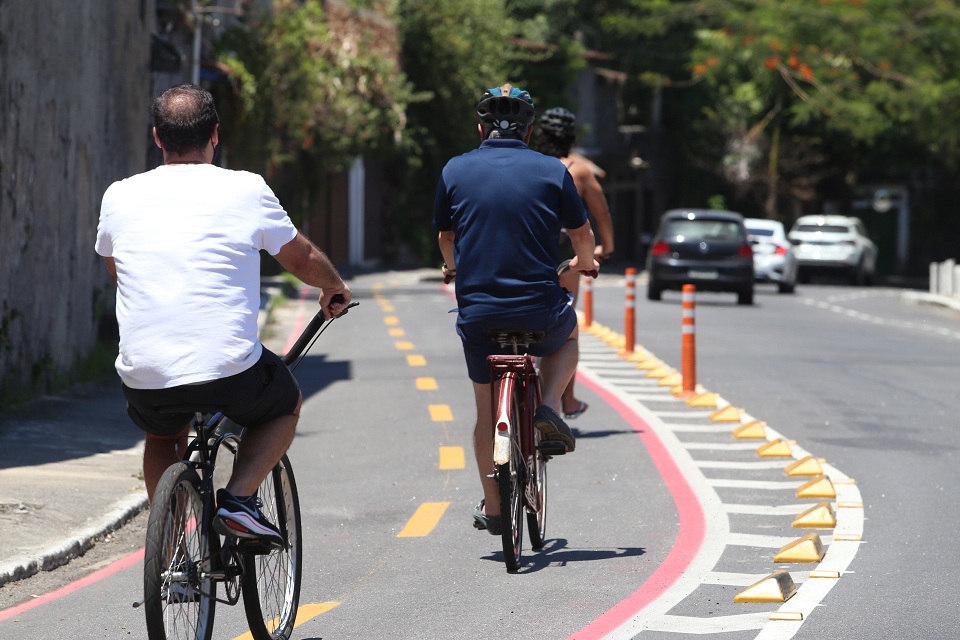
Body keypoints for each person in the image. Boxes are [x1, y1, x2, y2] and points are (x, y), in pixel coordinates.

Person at [96, 84, 352, 546]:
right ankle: (235, 501)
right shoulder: (245, 188)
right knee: (285, 403)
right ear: (216, 135)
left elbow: (120, 273)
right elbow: (299, 258)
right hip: (228, 371)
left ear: (157, 138)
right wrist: (332, 286)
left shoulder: (118, 196)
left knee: (161, 435)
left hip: (146, 375)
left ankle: (169, 549)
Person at [433, 84, 599, 535]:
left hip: (480, 316)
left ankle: (494, 507)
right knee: (569, 335)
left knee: (486, 416)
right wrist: (585, 263)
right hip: (539, 311)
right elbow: (582, 236)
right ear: (528, 133)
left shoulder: (455, 169)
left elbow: (446, 240)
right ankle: (547, 406)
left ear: (480, 128)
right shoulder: (552, 170)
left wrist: (453, 269)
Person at [535, 107, 615, 421]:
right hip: (563, 255)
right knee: (565, 325)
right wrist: (607, 246)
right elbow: (602, 213)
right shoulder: (579, 170)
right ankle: (565, 400)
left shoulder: (532, 166)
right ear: (571, 136)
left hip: (529, 252)